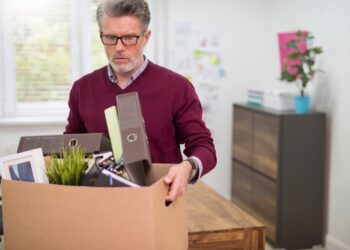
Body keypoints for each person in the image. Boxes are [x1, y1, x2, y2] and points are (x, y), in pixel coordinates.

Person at [64, 0, 216, 201]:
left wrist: (188, 167)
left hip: (160, 203)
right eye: (110, 37)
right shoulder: (82, 89)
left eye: (129, 37)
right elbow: (69, 149)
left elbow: (203, 146)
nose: (119, 47)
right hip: (99, 205)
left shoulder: (177, 88)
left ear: (146, 37)